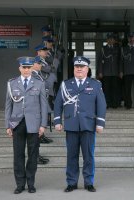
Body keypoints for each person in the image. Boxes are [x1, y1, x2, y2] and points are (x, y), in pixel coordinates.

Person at [54, 56, 106, 193]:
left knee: (88, 156)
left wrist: (100, 123)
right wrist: (57, 121)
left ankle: (89, 182)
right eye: (76, 67)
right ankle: (71, 182)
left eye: (82, 67)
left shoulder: (95, 84)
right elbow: (58, 103)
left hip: (88, 125)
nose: (79, 69)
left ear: (87, 69)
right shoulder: (66, 84)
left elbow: (101, 105)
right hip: (71, 125)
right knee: (71, 156)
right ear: (74, 69)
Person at [5, 56, 48, 194]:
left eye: (29, 67)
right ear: (20, 68)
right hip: (17, 123)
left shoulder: (39, 83)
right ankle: (20, 184)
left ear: (32, 68)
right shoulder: (12, 83)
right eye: (24, 67)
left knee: (33, 155)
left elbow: (44, 106)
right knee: (18, 155)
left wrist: (43, 125)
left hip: (34, 123)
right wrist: (8, 125)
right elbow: (8, 106)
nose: (26, 70)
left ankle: (30, 183)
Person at [98, 33, 121, 109]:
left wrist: (120, 71)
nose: (111, 40)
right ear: (107, 40)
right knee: (106, 89)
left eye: (112, 39)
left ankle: (114, 104)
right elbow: (100, 61)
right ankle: (106, 104)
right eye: (109, 39)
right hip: (106, 73)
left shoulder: (117, 49)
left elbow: (120, 61)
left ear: (114, 40)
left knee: (115, 89)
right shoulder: (103, 49)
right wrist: (100, 72)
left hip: (115, 72)